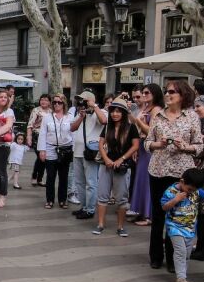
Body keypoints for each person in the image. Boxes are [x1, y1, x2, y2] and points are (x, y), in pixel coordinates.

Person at [145, 80, 202, 271]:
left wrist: (185, 147)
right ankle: (155, 256)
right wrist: (156, 145)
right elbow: (147, 142)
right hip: (158, 170)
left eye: (172, 92)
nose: (168, 95)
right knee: (158, 214)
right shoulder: (158, 115)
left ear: (182, 95)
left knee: (177, 215)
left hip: (180, 173)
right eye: (166, 92)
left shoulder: (192, 117)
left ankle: (172, 259)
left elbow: (199, 145)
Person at [91, 98, 140, 236]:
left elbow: (135, 145)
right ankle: (100, 224)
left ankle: (120, 226)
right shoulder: (107, 127)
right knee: (102, 196)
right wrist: (106, 159)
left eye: (119, 111)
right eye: (113, 111)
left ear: (124, 113)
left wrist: (122, 159)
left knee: (122, 198)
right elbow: (101, 144)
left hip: (122, 166)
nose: (115, 114)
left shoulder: (131, 127)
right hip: (106, 165)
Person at [161, 168, 204, 282]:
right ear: (182, 181)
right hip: (175, 227)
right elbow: (164, 206)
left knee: (186, 254)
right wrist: (175, 200)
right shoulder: (171, 191)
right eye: (190, 189)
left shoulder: (197, 192)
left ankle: (183, 277)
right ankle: (181, 279)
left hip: (190, 229)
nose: (192, 192)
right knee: (180, 252)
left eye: (194, 190)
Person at [129, 84, 164, 226]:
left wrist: (138, 121)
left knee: (147, 181)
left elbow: (152, 131)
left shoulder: (156, 109)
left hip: (151, 148)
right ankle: (142, 211)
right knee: (141, 179)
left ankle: (149, 215)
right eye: (143, 93)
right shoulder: (145, 108)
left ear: (155, 94)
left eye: (147, 93)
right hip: (142, 146)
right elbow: (136, 128)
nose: (144, 95)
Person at [70, 91, 107, 220]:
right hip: (78, 152)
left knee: (91, 182)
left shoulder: (99, 112)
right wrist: (81, 116)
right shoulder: (81, 113)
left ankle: (90, 210)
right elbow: (72, 128)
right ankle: (84, 207)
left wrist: (94, 106)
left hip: (90, 153)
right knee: (79, 182)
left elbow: (104, 121)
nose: (81, 103)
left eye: (84, 101)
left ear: (90, 101)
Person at [38, 94, 74, 210]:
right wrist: (42, 150)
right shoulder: (47, 117)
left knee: (63, 176)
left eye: (59, 102)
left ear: (64, 104)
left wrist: (73, 150)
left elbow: (73, 134)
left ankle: (63, 200)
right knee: (50, 176)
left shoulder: (70, 117)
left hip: (65, 149)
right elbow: (42, 134)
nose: (56, 104)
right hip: (50, 148)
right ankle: (49, 200)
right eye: (54, 102)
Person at [191, 95, 204, 261]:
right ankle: (202, 247)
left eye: (199, 106)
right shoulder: (200, 124)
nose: (196, 109)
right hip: (203, 175)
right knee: (203, 214)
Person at [27, 94, 52, 187]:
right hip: (37, 135)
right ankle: (34, 176)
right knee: (40, 156)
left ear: (49, 102)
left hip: (48, 136)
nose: (43, 102)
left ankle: (39, 178)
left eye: (46, 100)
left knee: (44, 158)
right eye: (42, 100)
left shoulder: (51, 111)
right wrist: (29, 137)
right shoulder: (36, 110)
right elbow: (30, 125)